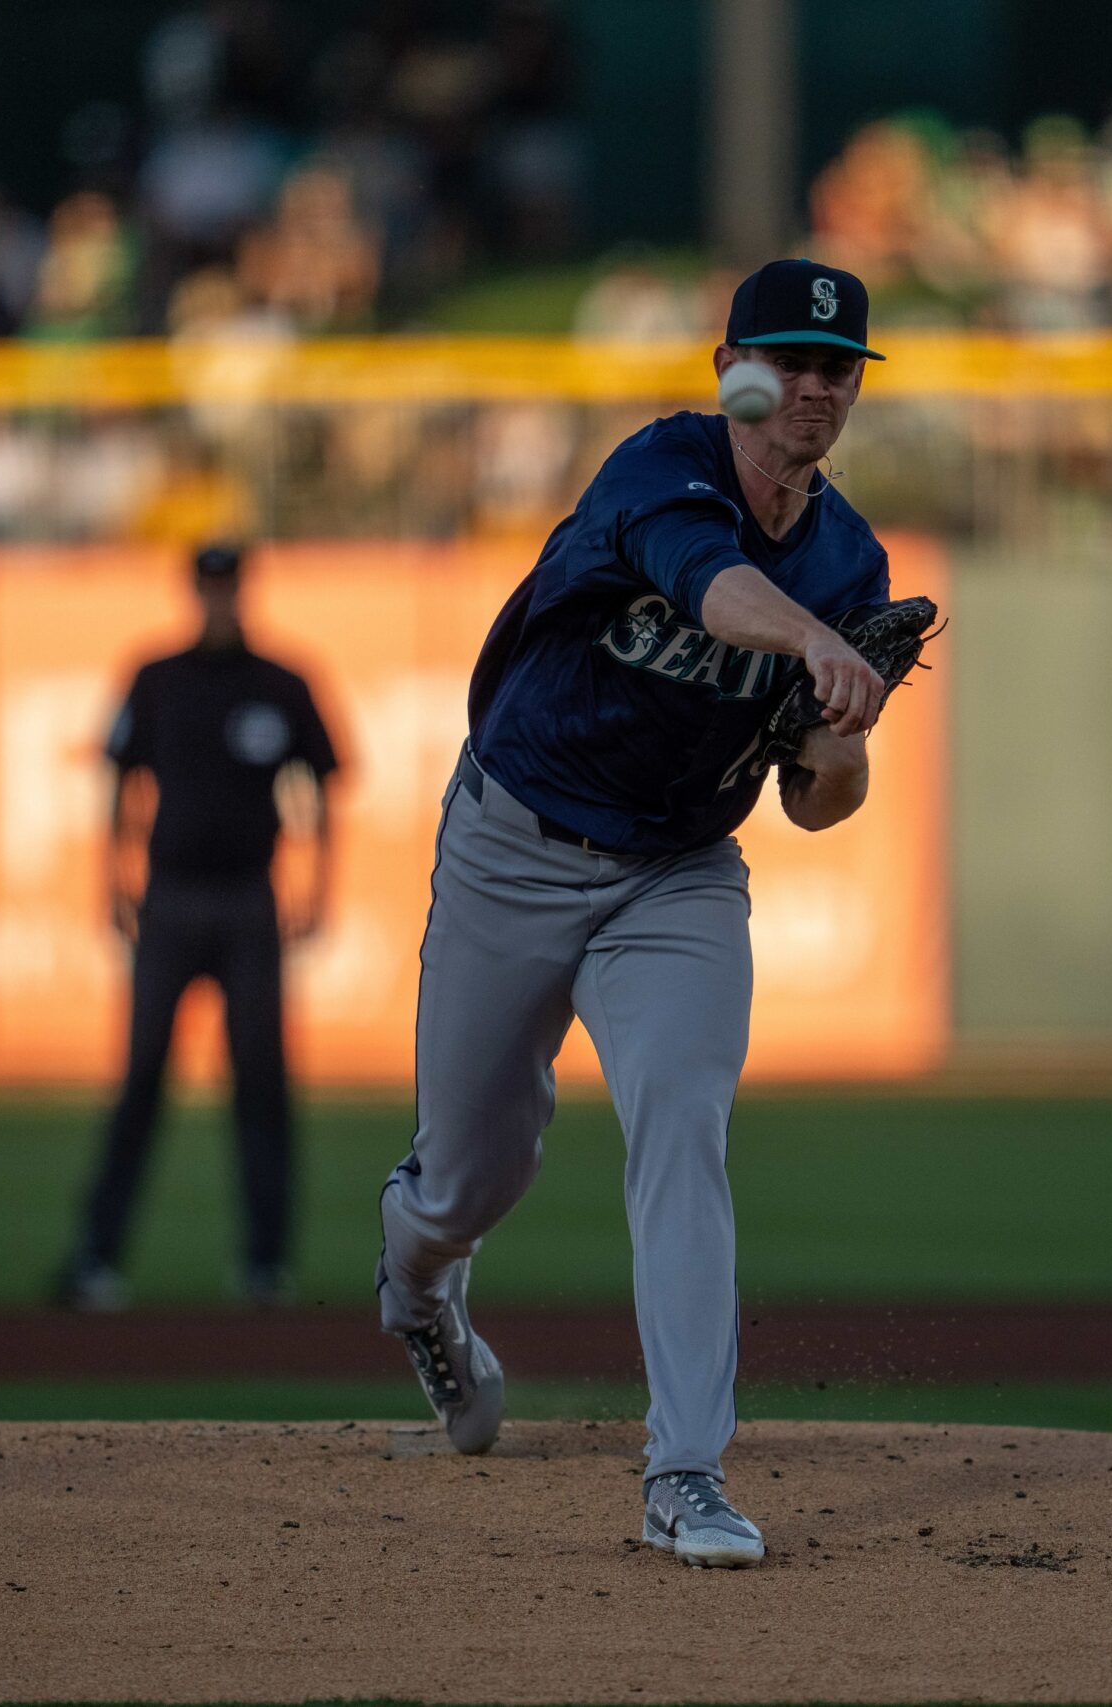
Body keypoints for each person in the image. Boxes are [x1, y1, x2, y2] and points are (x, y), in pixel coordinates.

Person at [374, 258, 901, 1569]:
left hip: (676, 874)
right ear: (735, 368)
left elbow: (816, 798)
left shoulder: (849, 559)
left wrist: (841, 747)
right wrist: (812, 646)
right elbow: (706, 577)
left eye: (838, 368)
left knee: (683, 1118)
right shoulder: (660, 468)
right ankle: (421, 1279)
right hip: (516, 839)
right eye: (788, 362)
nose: (815, 389)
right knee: (470, 1167)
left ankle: (684, 1473)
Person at [55, 541, 340, 1311]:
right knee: (141, 1078)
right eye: (208, 586)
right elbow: (121, 778)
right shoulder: (157, 678)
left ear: (243, 590)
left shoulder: (280, 683)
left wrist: (319, 891)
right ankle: (95, 1256)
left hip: (250, 901)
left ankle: (265, 1262)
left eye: (228, 586)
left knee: (261, 1085)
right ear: (194, 591)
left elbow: (323, 786)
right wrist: (111, 881)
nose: (218, 599)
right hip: (171, 900)